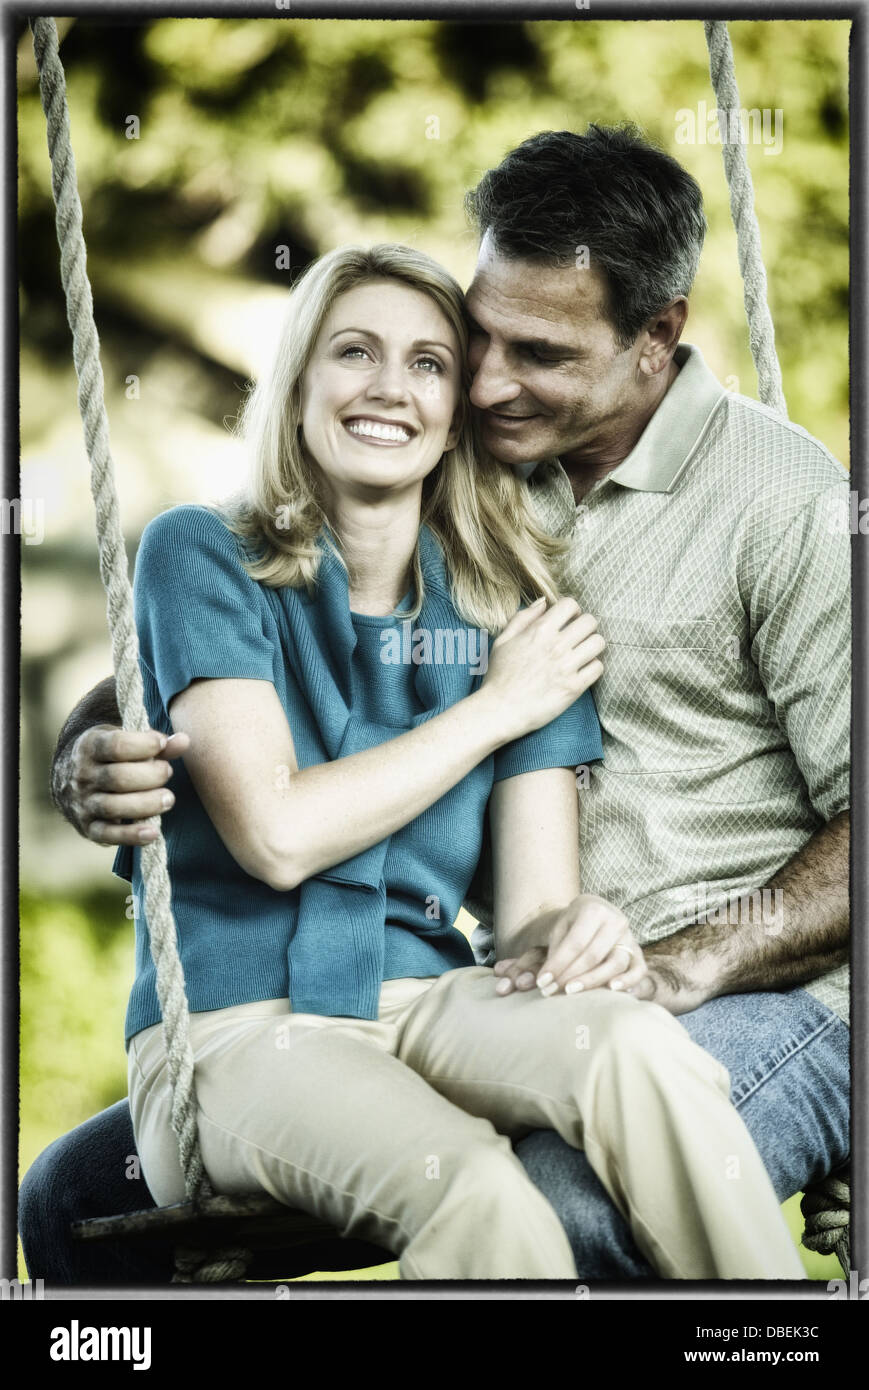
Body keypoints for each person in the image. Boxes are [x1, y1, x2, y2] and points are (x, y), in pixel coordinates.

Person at [23, 124, 848, 1282]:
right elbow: (260, 764)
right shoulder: (351, 511)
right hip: (330, 1008)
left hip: (676, 995)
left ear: (654, 339)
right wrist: (89, 746)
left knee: (598, 1136)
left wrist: (642, 949)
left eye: (444, 362)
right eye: (474, 342)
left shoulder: (748, 509)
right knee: (77, 1199)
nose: (479, 382)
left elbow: (540, 914)